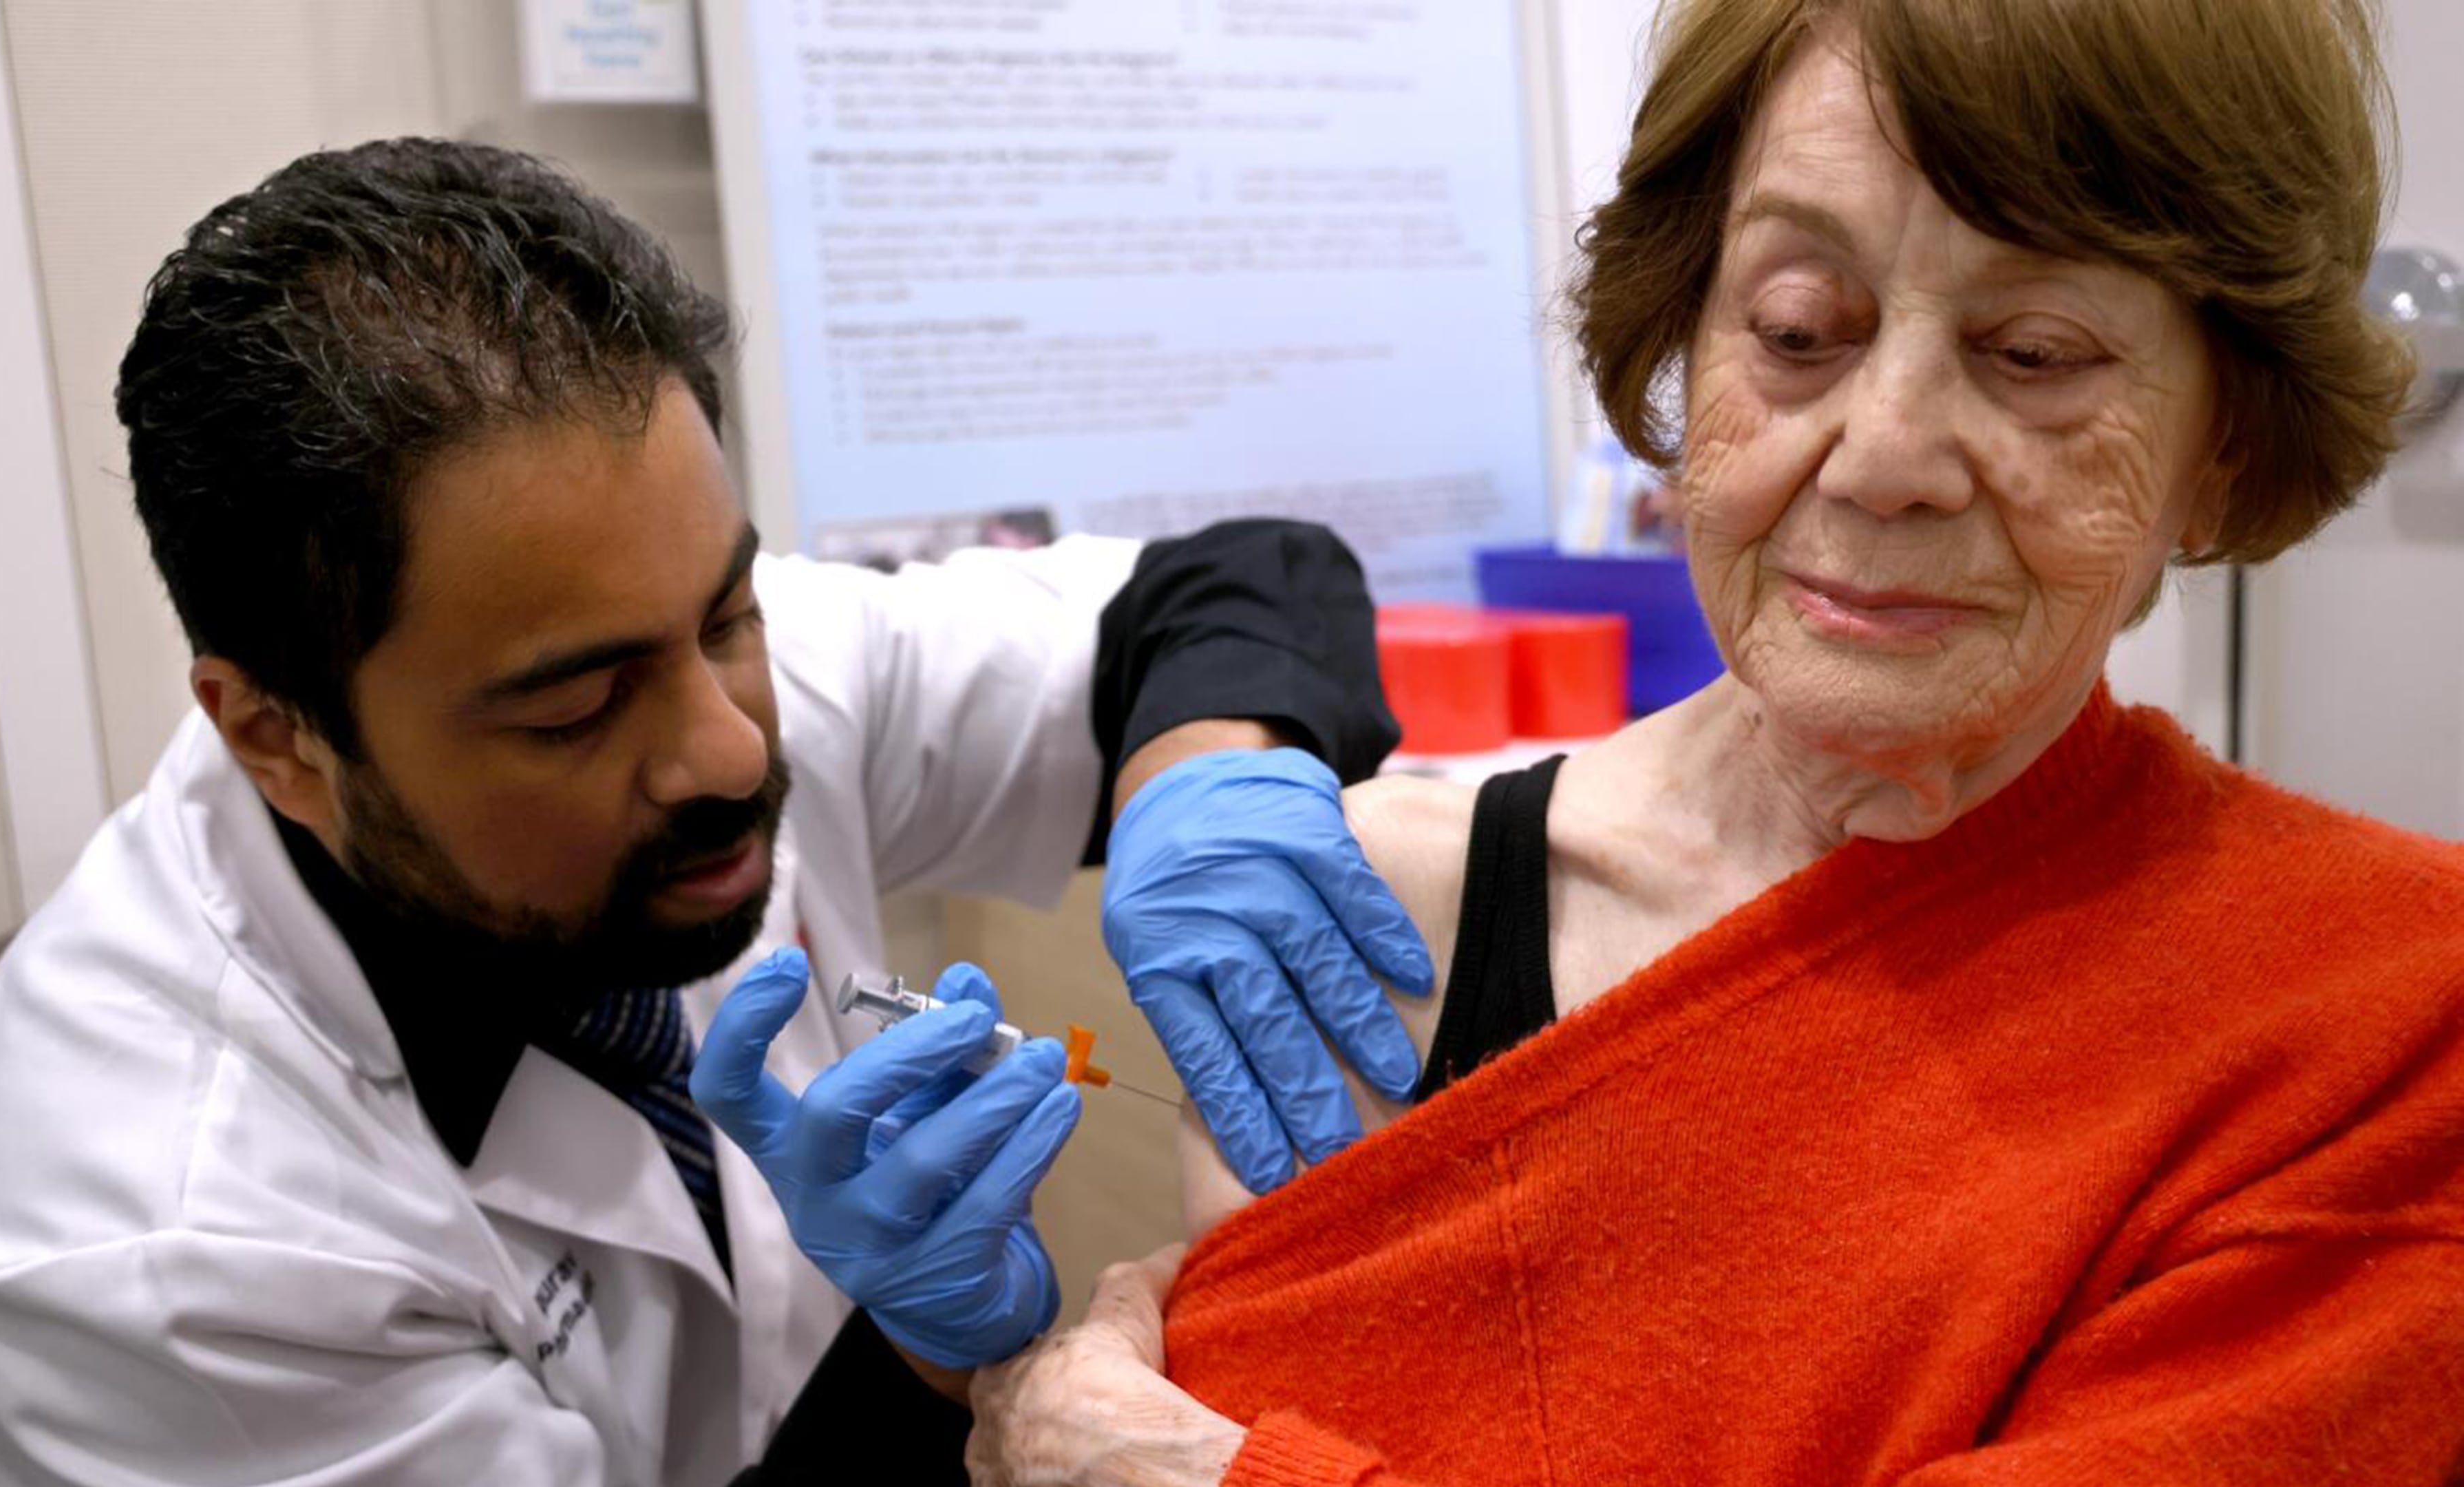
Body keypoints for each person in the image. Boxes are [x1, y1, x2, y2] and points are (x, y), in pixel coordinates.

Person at [964, 0, 2464, 1481]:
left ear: (2225, 449)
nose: (1883, 460)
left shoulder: (2382, 1012)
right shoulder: (1377, 935)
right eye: (1798, 327)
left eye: (2036, 352)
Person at [0, 138, 1432, 1487]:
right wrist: (916, 1358)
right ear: (276, 734)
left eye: (726, 614)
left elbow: (1241, 585)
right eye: (574, 708)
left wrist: (1206, 774)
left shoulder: (680, 664)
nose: (723, 749)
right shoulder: (165, 1253)